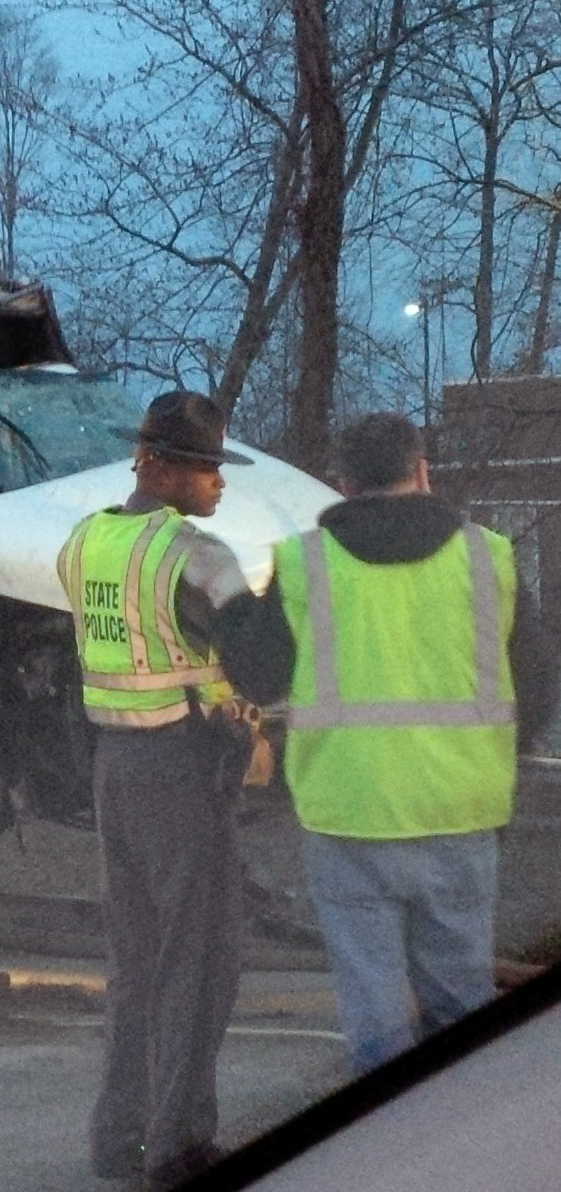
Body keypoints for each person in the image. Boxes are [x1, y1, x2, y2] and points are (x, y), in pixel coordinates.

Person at [218, 412, 557, 1075]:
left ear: (341, 485)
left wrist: (228, 595)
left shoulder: (303, 563)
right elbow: (538, 690)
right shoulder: (490, 558)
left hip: (348, 816)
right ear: (421, 470)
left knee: (373, 1010)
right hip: (460, 813)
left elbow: (257, 675)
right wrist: (491, 769)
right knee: (462, 1003)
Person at [55, 391, 254, 1192]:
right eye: (208, 468)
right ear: (163, 468)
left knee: (135, 962)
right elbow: (262, 652)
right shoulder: (197, 554)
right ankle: (177, 1149)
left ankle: (119, 1139)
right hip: (182, 771)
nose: (220, 485)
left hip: (116, 768)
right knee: (198, 963)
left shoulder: (84, 541)